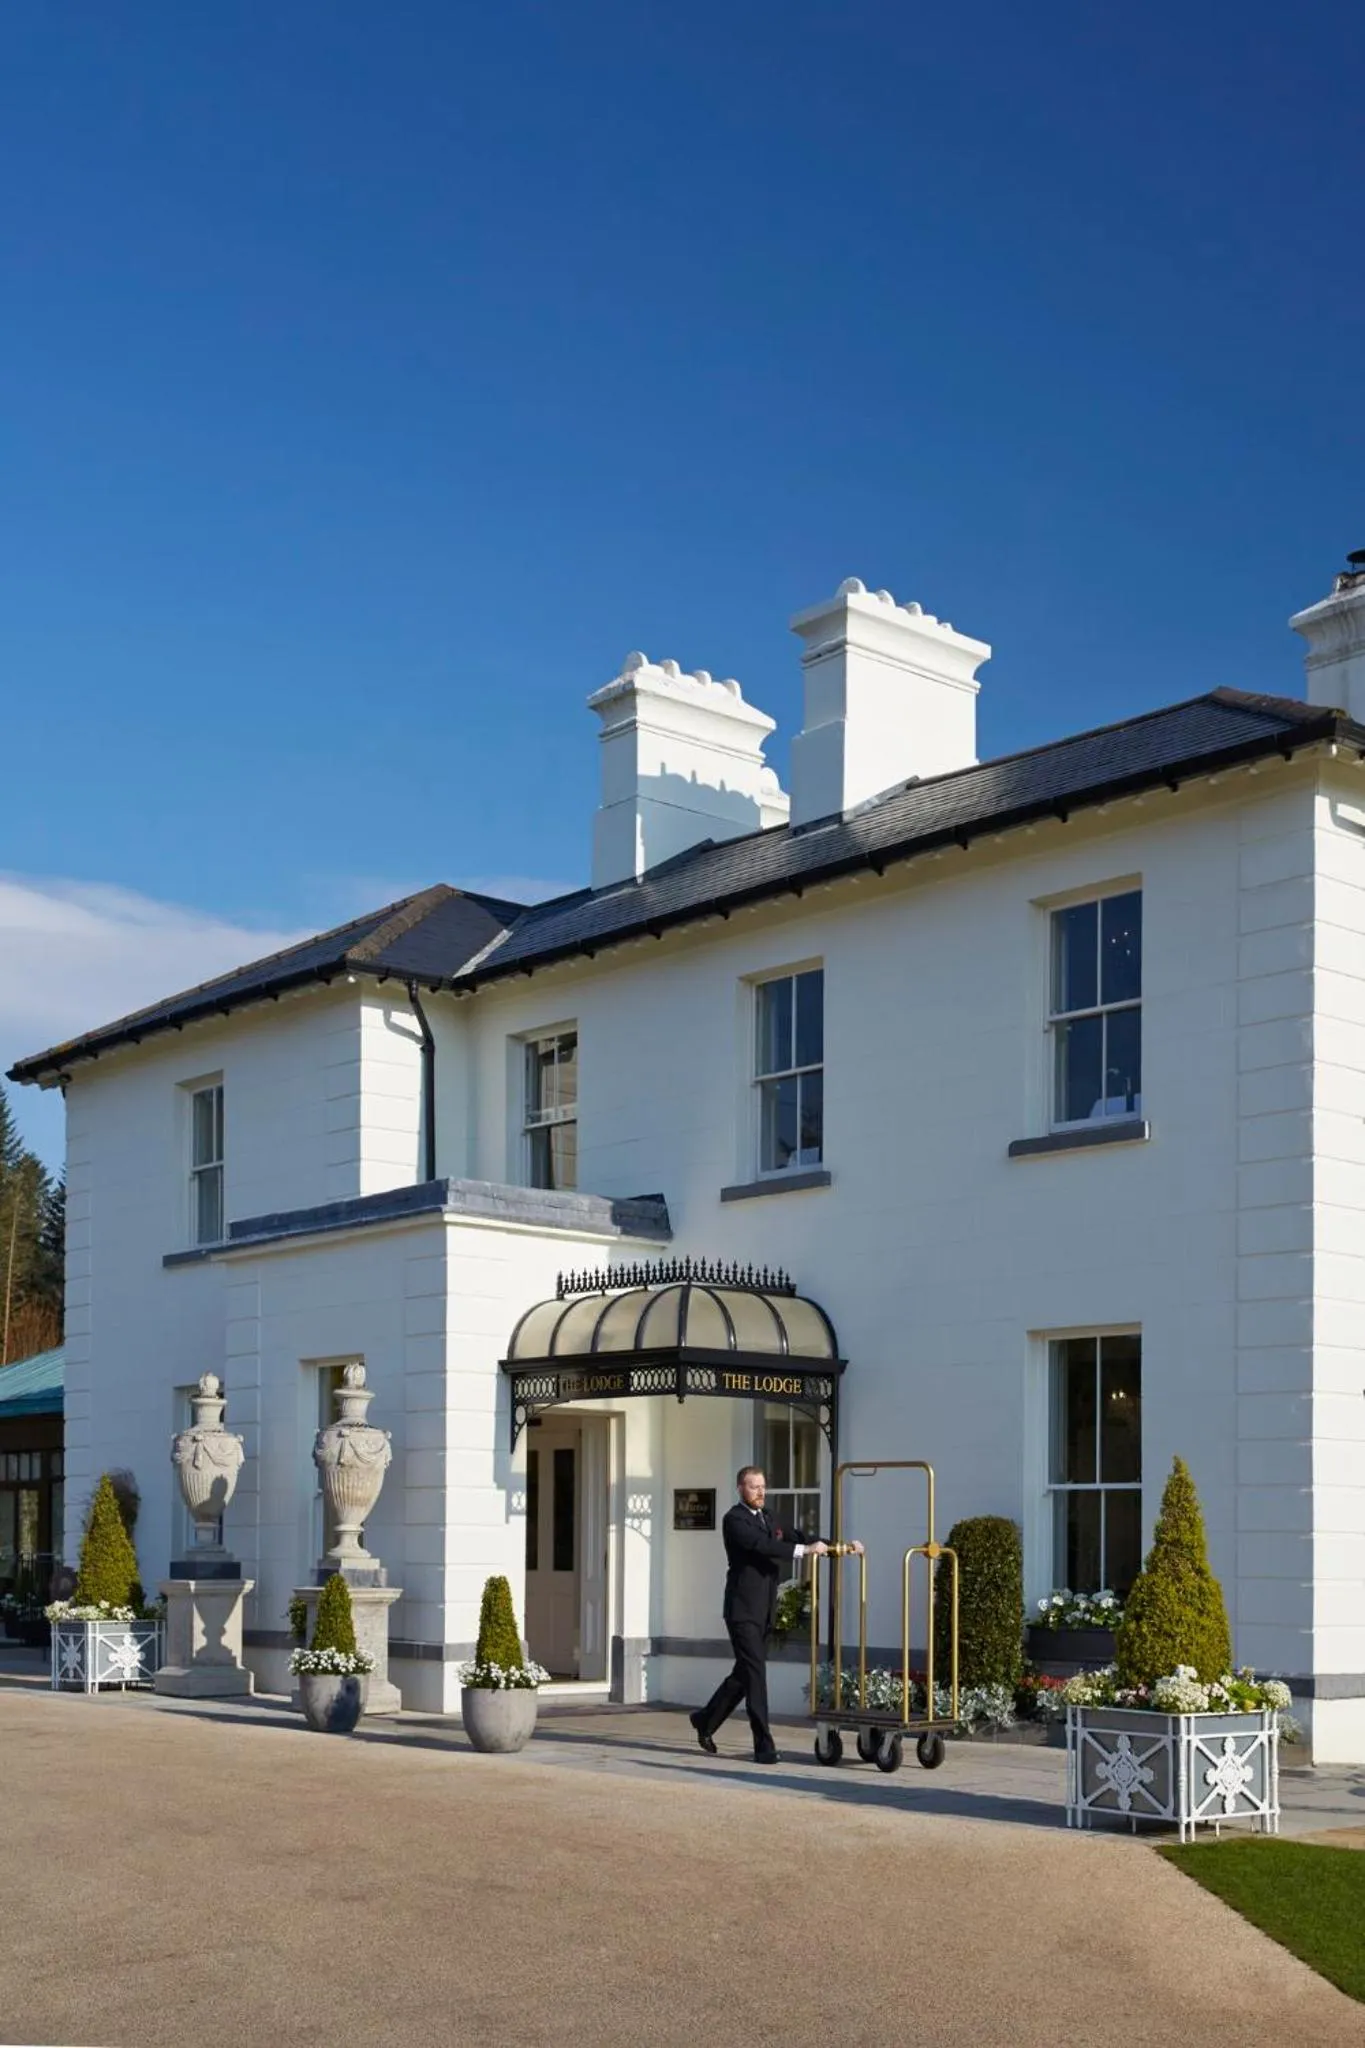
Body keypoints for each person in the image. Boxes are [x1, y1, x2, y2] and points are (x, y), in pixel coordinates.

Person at [689, 1464, 863, 1765]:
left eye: (763, 1486)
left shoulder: (769, 1517)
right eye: (754, 1486)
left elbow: (798, 1535)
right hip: (742, 1610)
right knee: (756, 1676)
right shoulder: (734, 1520)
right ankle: (764, 1746)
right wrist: (804, 1551)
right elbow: (764, 1546)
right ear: (741, 1488)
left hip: (765, 1609)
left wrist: (840, 1547)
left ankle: (705, 1719)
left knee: (745, 1674)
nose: (761, 1492)